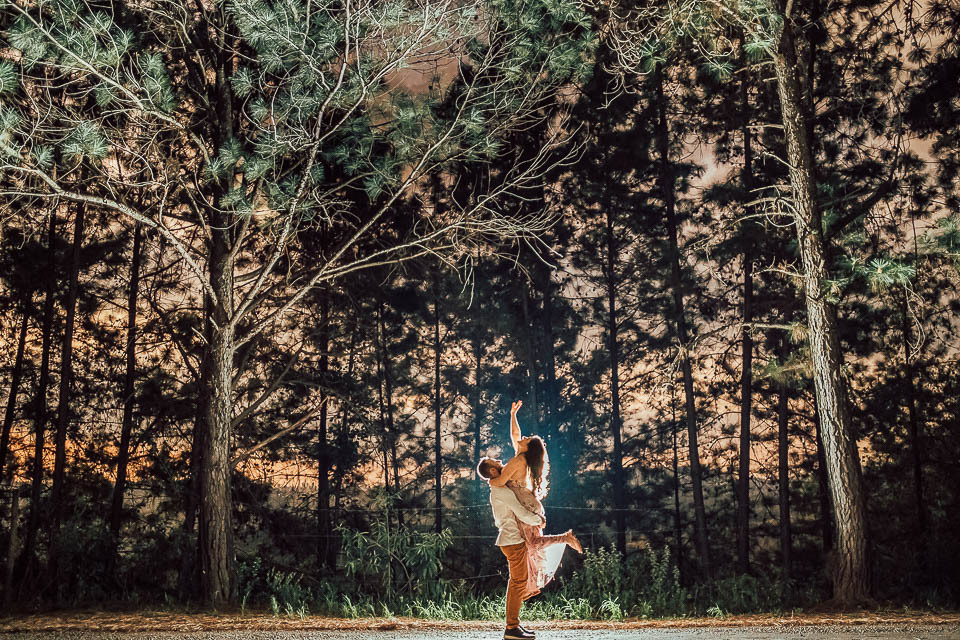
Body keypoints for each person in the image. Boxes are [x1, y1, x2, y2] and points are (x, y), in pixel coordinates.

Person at [477, 400, 582, 640]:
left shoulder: (516, 462)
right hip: (524, 517)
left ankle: (513, 625)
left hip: (524, 513)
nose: (500, 462)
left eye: (524, 440)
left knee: (522, 571)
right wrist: (513, 414)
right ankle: (512, 627)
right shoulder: (521, 461)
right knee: (523, 570)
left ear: (527, 448)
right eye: (496, 464)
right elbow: (515, 436)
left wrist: (492, 481)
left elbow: (497, 482)